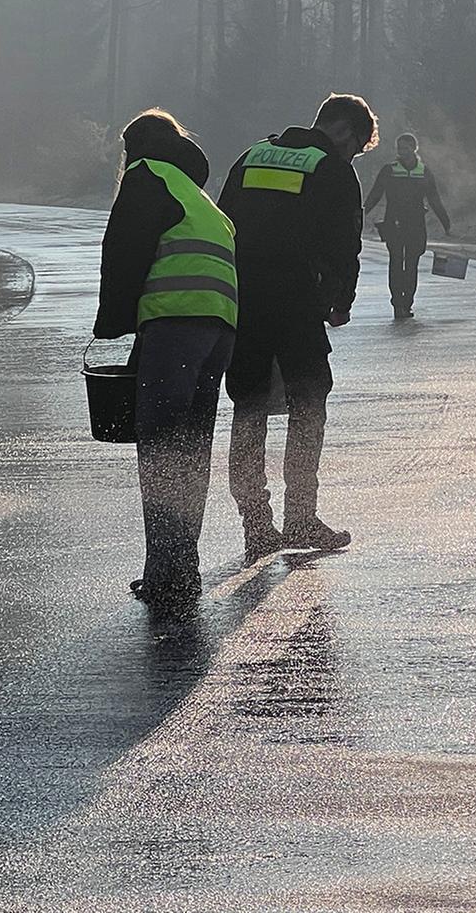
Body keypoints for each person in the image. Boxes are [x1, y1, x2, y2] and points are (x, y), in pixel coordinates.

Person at [217, 94, 373, 559]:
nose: (354, 157)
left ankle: (256, 526)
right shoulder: (331, 168)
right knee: (308, 403)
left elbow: (223, 224)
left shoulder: (251, 156)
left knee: (248, 408)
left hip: (244, 302)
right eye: (357, 148)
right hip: (295, 304)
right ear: (344, 131)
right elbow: (345, 245)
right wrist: (339, 303)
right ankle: (301, 518)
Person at [94, 109, 238, 606]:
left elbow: (123, 251)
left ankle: (164, 574)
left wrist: (111, 323)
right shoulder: (195, 193)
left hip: (176, 323)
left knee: (159, 447)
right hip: (219, 328)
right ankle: (183, 568)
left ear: (133, 148)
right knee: (191, 447)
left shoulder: (145, 176)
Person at [364, 133, 452, 318]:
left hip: (416, 225)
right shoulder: (389, 170)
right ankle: (397, 304)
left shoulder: (424, 171)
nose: (401, 152)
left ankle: (407, 303)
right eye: (399, 148)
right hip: (393, 223)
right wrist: (361, 213)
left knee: (411, 264)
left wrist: (446, 223)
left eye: (405, 148)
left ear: (414, 148)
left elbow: (434, 199)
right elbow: (375, 194)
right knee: (396, 262)